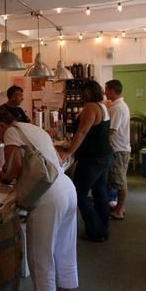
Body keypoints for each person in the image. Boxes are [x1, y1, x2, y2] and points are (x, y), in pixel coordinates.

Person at [0, 106, 78, 291]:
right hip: (67, 188)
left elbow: (14, 167)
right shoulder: (35, 129)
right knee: (64, 252)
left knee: (40, 258)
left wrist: (5, 176)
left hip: (47, 197)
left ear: (1, 126)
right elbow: (56, 158)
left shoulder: (11, 132)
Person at [60, 80, 114, 242]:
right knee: (100, 193)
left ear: (87, 93)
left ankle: (96, 230)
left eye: (82, 92)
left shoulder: (91, 107)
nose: (80, 95)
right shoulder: (102, 106)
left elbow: (82, 132)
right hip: (104, 156)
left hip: (93, 158)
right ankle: (102, 228)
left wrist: (69, 152)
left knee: (80, 193)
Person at [104, 80, 131, 220]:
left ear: (113, 91)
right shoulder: (116, 105)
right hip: (119, 149)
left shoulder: (118, 107)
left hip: (118, 150)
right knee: (115, 179)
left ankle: (119, 210)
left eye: (106, 90)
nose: (104, 93)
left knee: (120, 182)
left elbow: (111, 130)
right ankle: (118, 207)